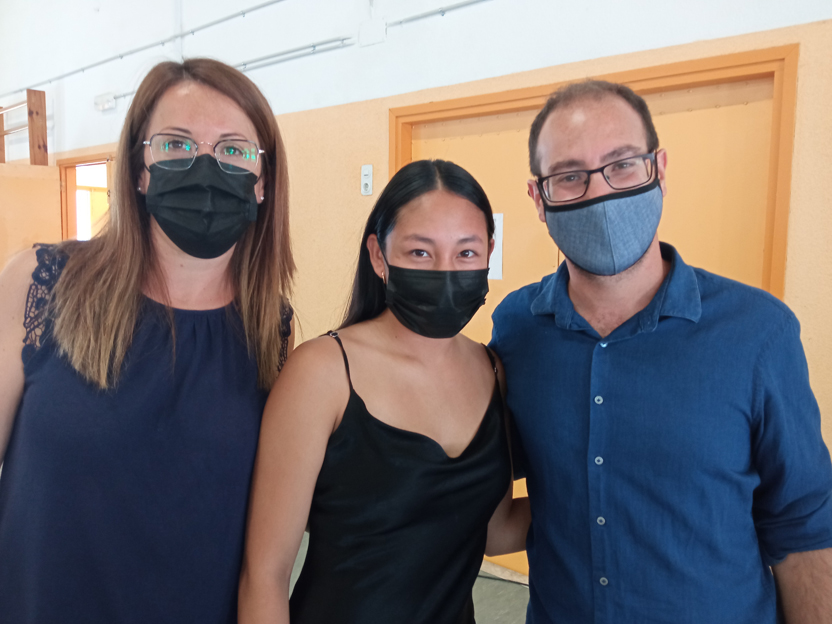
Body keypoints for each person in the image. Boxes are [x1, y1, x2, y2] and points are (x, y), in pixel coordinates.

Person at [490, 80, 832, 623]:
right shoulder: (517, 327)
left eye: (623, 164)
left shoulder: (759, 332)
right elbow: (491, 486)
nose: (600, 194)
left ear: (660, 169)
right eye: (570, 176)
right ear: (539, 199)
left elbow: (804, 525)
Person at [0, 58, 295, 623]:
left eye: (233, 149)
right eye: (176, 145)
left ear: (262, 182)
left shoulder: (268, 328)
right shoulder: (41, 283)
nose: (204, 166)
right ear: (139, 171)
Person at [238, 159, 530, 624]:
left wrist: (607, 494)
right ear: (378, 256)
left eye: (466, 252)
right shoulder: (322, 373)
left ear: (489, 253)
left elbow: (494, 531)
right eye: (420, 252)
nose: (445, 271)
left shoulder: (492, 370)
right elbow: (264, 576)